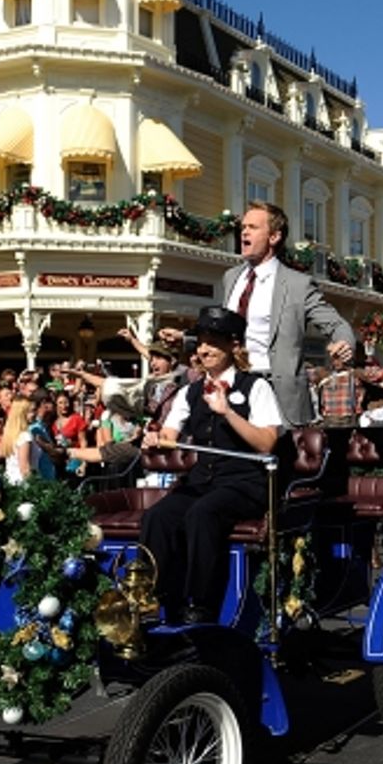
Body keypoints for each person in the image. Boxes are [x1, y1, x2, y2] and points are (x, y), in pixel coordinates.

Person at [140, 307, 283, 623]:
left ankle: (201, 605)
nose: (203, 349)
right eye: (201, 342)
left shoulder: (255, 387)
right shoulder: (189, 392)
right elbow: (170, 434)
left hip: (246, 483)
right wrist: (155, 439)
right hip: (203, 480)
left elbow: (267, 443)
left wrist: (227, 412)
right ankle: (157, 599)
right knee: (157, 517)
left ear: (233, 346)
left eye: (212, 343)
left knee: (202, 514)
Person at [217, 201, 354, 426]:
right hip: (234, 384)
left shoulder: (297, 284)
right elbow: (223, 333)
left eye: (252, 227)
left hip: (277, 391)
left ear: (274, 237)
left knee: (277, 459)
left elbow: (336, 325)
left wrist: (344, 344)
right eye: (243, 227)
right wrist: (184, 338)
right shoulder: (231, 277)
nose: (244, 232)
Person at [0, 398, 49, 485]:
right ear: (22, 414)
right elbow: (25, 468)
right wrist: (36, 488)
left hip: (10, 482)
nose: (35, 414)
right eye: (32, 411)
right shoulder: (25, 437)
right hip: (23, 486)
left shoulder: (11, 434)